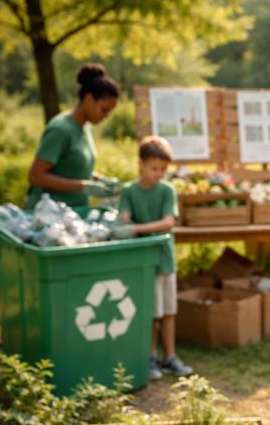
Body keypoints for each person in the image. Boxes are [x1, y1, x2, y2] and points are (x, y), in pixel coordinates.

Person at [112, 135, 193, 380]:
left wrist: (136, 228)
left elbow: (169, 222)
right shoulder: (129, 191)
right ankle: (150, 357)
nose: (158, 173)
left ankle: (170, 356)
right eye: (154, 168)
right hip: (142, 263)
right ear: (141, 164)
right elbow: (124, 217)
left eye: (163, 169)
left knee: (168, 311)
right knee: (150, 313)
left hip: (165, 260)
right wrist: (121, 220)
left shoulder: (167, 190)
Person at [25, 63, 121, 210]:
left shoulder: (85, 127)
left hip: (74, 211)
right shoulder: (61, 129)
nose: (106, 116)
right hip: (50, 214)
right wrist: (83, 186)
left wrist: (99, 180)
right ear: (89, 99)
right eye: (104, 110)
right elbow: (35, 176)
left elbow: (72, 168)